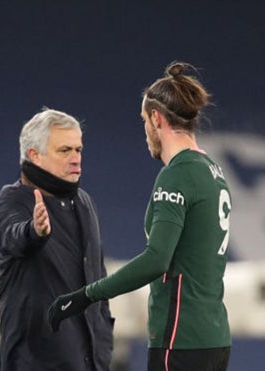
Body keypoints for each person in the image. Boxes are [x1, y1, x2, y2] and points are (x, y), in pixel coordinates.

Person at [48, 62, 232, 371]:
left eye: (144, 120)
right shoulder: (213, 172)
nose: (145, 130)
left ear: (157, 119)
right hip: (214, 336)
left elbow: (157, 259)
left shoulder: (177, 175)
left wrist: (87, 295)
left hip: (180, 339)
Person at [0, 108, 114, 371]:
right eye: (64, 151)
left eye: (78, 150)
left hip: (89, 363)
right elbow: (15, 237)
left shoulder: (84, 202)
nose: (76, 159)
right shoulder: (12, 199)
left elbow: (97, 280)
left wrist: (103, 343)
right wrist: (35, 231)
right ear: (35, 156)